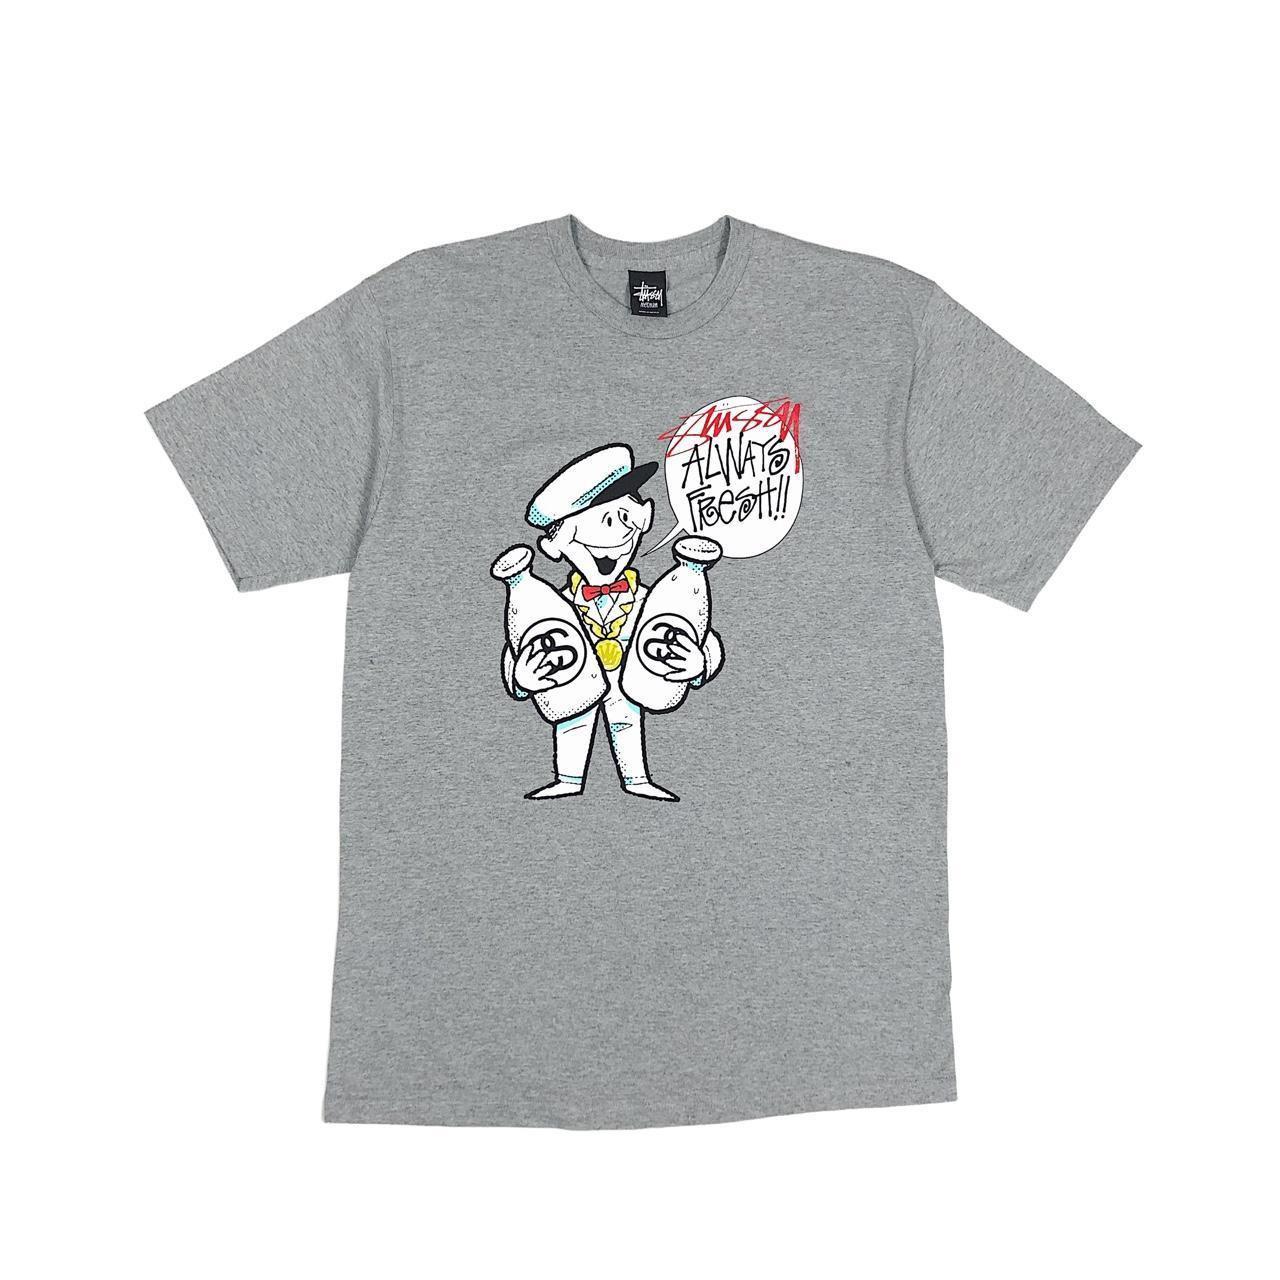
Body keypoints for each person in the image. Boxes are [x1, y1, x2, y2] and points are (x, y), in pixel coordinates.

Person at [500, 443, 724, 801]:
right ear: (558, 546)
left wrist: (700, 665)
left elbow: (695, 630)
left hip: (633, 676)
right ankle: (568, 779)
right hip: (573, 681)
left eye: (624, 521)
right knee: (572, 723)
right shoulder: (554, 604)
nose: (614, 542)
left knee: (627, 721)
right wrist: (520, 679)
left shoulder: (653, 597)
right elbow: (524, 640)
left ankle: (637, 779)